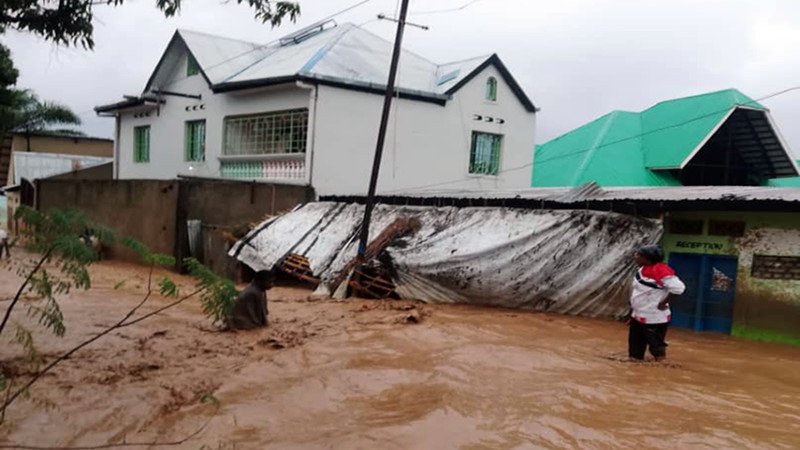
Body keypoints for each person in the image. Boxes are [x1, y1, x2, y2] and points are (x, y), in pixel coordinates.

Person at [628, 245, 685, 361]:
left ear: (647, 258)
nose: (636, 257)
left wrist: (664, 302)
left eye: (639, 255)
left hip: (654, 318)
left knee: (657, 349)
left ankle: (661, 370)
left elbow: (678, 289)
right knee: (635, 350)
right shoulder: (642, 269)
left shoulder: (661, 271)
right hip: (638, 316)